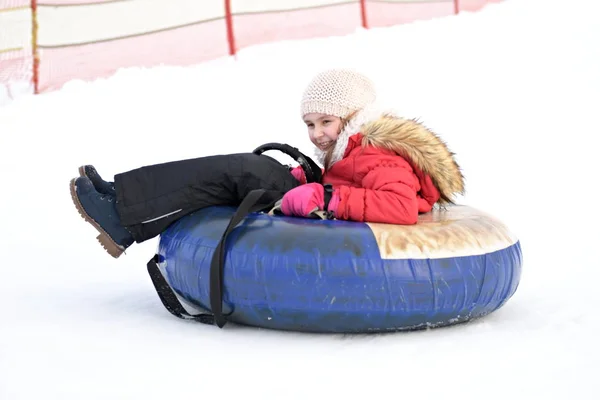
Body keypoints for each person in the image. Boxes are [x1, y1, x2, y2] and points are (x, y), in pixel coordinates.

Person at [70, 68, 464, 259]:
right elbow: (348, 179)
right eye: (310, 124)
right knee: (227, 173)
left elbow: (399, 206)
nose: (316, 134)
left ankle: (123, 212)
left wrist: (328, 197)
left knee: (241, 170)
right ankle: (122, 203)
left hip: (325, 210)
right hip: (315, 197)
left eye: (326, 122)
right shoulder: (351, 149)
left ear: (354, 116)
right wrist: (311, 176)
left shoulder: (380, 152)